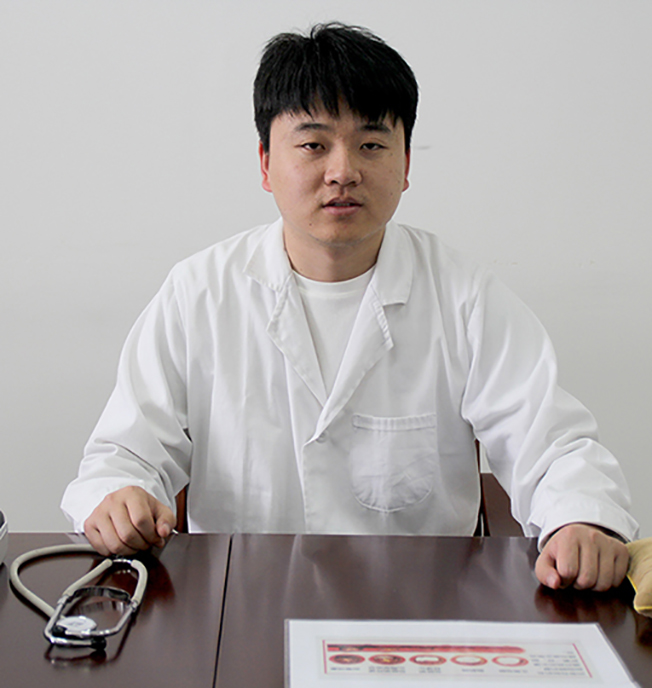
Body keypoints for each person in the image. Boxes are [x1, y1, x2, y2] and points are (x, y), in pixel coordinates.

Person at [61, 23, 638, 591]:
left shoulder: (463, 296)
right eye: (313, 145)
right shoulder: (199, 293)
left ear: (405, 165)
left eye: (371, 145)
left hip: (420, 610)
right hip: (243, 605)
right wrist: (119, 498)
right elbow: (124, 453)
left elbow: (551, 442)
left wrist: (580, 520)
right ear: (265, 163)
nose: (343, 172)